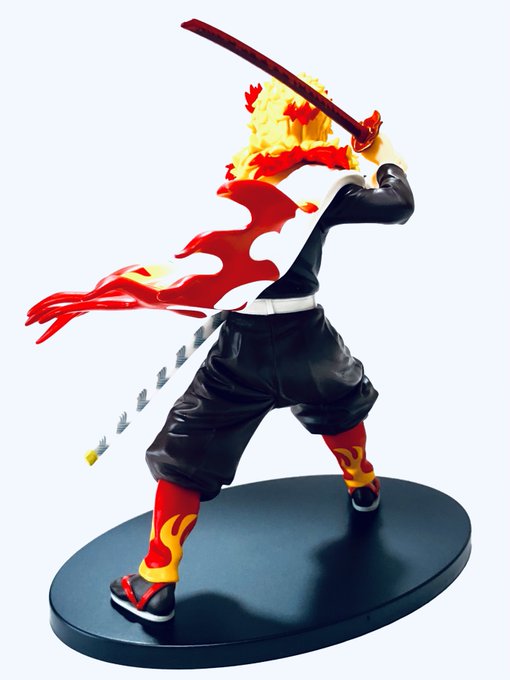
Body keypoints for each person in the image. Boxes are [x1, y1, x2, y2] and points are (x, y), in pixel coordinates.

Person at [108, 75, 414, 622]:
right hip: (306, 339)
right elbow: (398, 203)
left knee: (187, 453)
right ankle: (363, 485)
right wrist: (384, 158)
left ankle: (155, 580)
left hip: (244, 351)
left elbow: (397, 209)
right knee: (336, 401)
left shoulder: (252, 180)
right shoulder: (319, 185)